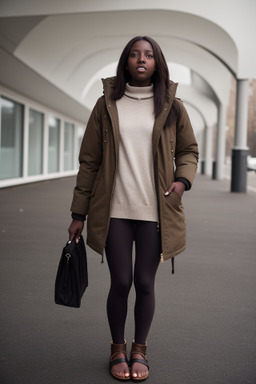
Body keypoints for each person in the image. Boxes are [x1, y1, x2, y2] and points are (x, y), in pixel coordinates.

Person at [68, 36, 199, 381]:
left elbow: (188, 151)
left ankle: (139, 349)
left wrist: (183, 181)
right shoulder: (106, 105)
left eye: (149, 55)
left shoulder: (173, 106)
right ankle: (117, 348)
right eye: (135, 54)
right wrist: (78, 214)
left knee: (144, 282)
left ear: (157, 63)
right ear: (126, 62)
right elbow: (89, 162)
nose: (141, 59)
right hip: (115, 210)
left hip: (157, 211)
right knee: (121, 281)